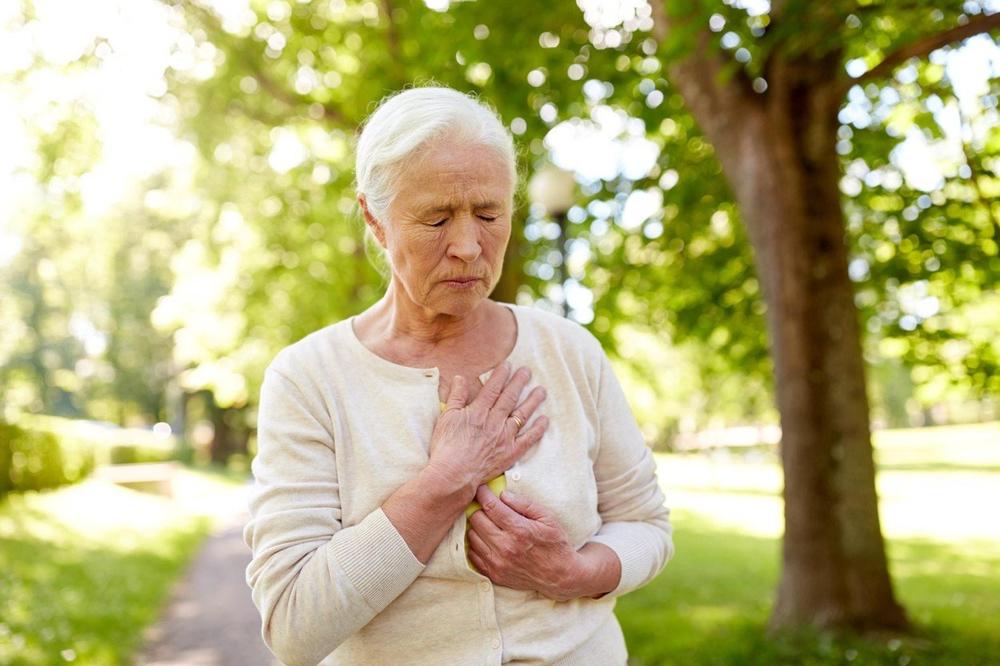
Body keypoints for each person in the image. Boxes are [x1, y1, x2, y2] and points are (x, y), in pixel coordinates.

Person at [243, 85, 674, 666]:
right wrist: (447, 479)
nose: (469, 246)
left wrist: (573, 572)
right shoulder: (309, 379)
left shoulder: (570, 351)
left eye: (490, 214)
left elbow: (645, 524)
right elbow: (294, 626)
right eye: (437, 218)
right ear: (375, 218)